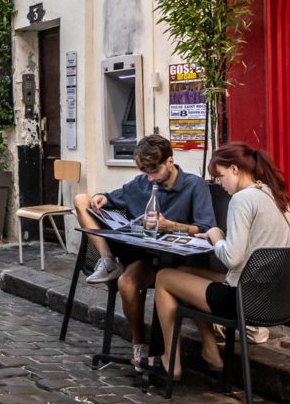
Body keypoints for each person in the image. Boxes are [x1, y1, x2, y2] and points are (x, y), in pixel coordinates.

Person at [152, 143, 290, 379]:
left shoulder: (242, 199)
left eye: (220, 176)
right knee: (185, 270)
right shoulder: (273, 194)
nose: (220, 183)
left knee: (164, 277)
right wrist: (222, 239)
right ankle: (211, 353)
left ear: (235, 169)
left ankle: (170, 361)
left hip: (242, 300)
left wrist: (216, 235)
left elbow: (231, 258)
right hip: (274, 297)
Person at [73, 134, 215, 370]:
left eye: (154, 171)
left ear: (169, 161)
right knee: (126, 283)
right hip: (145, 258)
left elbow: (206, 228)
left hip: (178, 264)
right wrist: (101, 198)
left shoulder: (194, 185)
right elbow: (112, 197)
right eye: (145, 172)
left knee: (154, 279)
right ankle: (138, 343)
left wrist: (171, 226)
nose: (150, 178)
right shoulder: (142, 183)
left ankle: (169, 357)